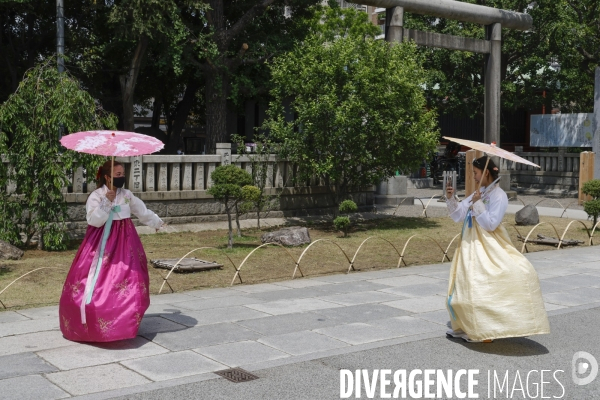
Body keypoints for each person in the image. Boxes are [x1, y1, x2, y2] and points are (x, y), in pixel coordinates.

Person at [444, 156, 550, 343]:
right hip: (470, 244)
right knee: (464, 282)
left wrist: (477, 204)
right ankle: (465, 324)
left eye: (476, 173)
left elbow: (491, 224)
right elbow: (459, 214)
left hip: (488, 245)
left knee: (482, 283)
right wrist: (451, 198)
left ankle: (484, 328)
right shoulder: (480, 192)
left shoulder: (499, 195)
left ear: (485, 172)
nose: (474, 177)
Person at [59, 160, 164, 342]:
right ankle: (94, 322)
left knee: (130, 279)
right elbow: (94, 220)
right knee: (97, 280)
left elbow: (142, 211)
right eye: (117, 175)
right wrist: (106, 202)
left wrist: (157, 222)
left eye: (122, 174)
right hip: (101, 242)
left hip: (126, 242)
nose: (121, 177)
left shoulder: (126, 195)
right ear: (107, 177)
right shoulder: (97, 196)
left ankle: (125, 323)